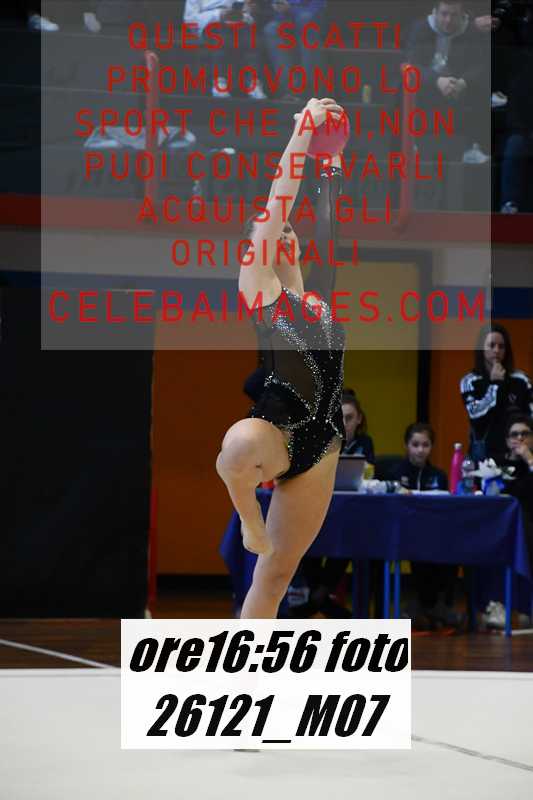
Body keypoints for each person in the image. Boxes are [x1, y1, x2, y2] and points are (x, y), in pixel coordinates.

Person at [216, 96, 346, 619]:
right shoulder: (259, 287)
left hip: (324, 442)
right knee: (236, 449)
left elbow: (329, 219)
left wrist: (332, 158)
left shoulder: (318, 298)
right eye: (274, 230)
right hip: (277, 426)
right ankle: (249, 518)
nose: (285, 231)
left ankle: (250, 662)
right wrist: (304, 131)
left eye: (290, 229)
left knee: (274, 575)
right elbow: (281, 197)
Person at [389, 423, 459, 629]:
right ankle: (431, 606)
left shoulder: (439, 475)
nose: (420, 450)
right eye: (415, 444)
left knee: (453, 547)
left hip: (433, 533)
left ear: (431, 447)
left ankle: (429, 605)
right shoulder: (394, 473)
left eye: (425, 445)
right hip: (402, 533)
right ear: (406, 445)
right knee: (420, 548)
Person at [405, 0, 487, 158]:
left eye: (454, 15)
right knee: (406, 85)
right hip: (428, 85)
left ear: (462, 15)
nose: (448, 20)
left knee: (482, 86)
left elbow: (480, 65)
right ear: (435, 12)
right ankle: (412, 146)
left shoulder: (471, 31)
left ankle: (473, 147)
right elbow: (412, 63)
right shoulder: (420, 28)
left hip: (458, 86)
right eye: (444, 14)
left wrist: (463, 82)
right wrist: (437, 81)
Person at [484, 413, 533, 628]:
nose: (519, 438)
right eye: (514, 434)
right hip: (499, 525)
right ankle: (496, 605)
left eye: (525, 434)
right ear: (506, 440)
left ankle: (525, 606)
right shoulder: (496, 463)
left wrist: (529, 459)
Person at [460, 323, 533, 460]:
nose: (496, 350)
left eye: (501, 346)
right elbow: (476, 415)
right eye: (491, 345)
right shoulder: (470, 381)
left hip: (517, 453)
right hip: (484, 454)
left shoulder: (521, 379)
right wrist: (494, 384)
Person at [183, 0, 266, 99]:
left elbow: (249, 16)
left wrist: (244, 16)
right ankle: (219, 82)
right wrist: (218, 15)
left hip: (238, 24)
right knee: (222, 36)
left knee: (251, 40)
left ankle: (253, 84)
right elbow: (190, 19)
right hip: (211, 23)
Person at [263, 0, 327, 100]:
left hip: (310, 16)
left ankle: (309, 88)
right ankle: (291, 89)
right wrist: (279, 8)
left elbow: (316, 7)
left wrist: (291, 9)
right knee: (270, 29)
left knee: (305, 20)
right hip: (284, 17)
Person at [341, 391, 375, 462]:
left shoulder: (365, 442)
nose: (344, 423)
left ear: (359, 418)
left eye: (349, 417)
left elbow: (370, 467)